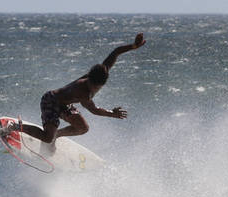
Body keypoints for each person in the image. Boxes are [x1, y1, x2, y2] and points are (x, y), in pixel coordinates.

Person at [10, 33, 145, 144]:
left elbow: (116, 52)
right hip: (51, 101)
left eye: (96, 86)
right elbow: (94, 110)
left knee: (82, 128)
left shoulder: (103, 70)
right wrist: (112, 113)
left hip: (65, 104)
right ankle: (16, 127)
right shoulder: (83, 92)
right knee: (46, 138)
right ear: (89, 78)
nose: (93, 87)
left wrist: (133, 46)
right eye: (91, 84)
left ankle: (57, 135)